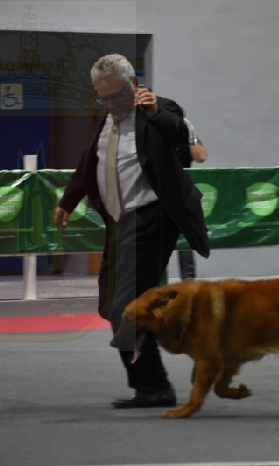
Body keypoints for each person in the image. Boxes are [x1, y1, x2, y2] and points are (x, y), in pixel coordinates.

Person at [53, 54, 210, 409]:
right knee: (116, 304)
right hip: (119, 222)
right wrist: (68, 201)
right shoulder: (107, 119)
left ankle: (154, 385)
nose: (109, 105)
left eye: (115, 96)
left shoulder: (159, 109)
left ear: (134, 85)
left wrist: (154, 113)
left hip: (151, 218)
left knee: (125, 305)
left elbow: (183, 138)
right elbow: (89, 162)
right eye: (102, 98)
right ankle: (194, 352)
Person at [161, 117, 207, 284]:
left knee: (185, 242)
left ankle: (188, 284)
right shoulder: (150, 132)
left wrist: (191, 135)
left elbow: (201, 157)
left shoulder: (184, 132)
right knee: (159, 243)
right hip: (158, 195)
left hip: (182, 195)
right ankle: (160, 286)